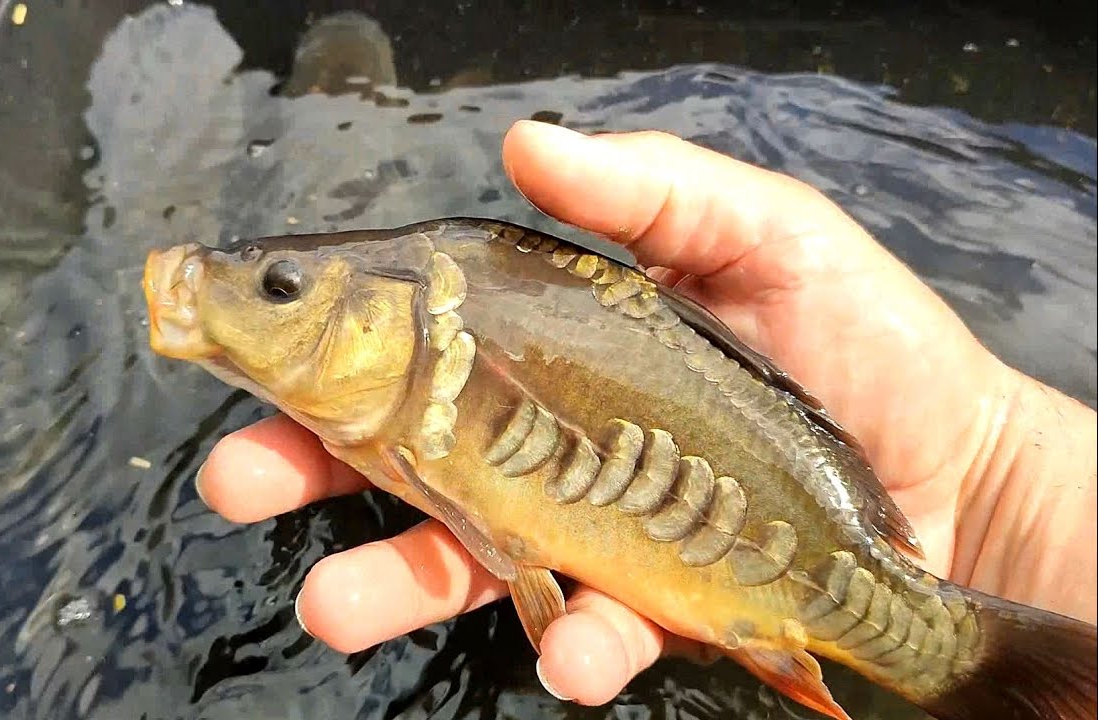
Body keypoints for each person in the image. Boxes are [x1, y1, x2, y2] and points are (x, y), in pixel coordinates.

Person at [193, 120, 1098, 705]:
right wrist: (1000, 476)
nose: (210, 285)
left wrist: (996, 477)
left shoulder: (452, 288)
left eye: (281, 287)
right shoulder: (433, 310)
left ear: (401, 320)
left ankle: (961, 660)